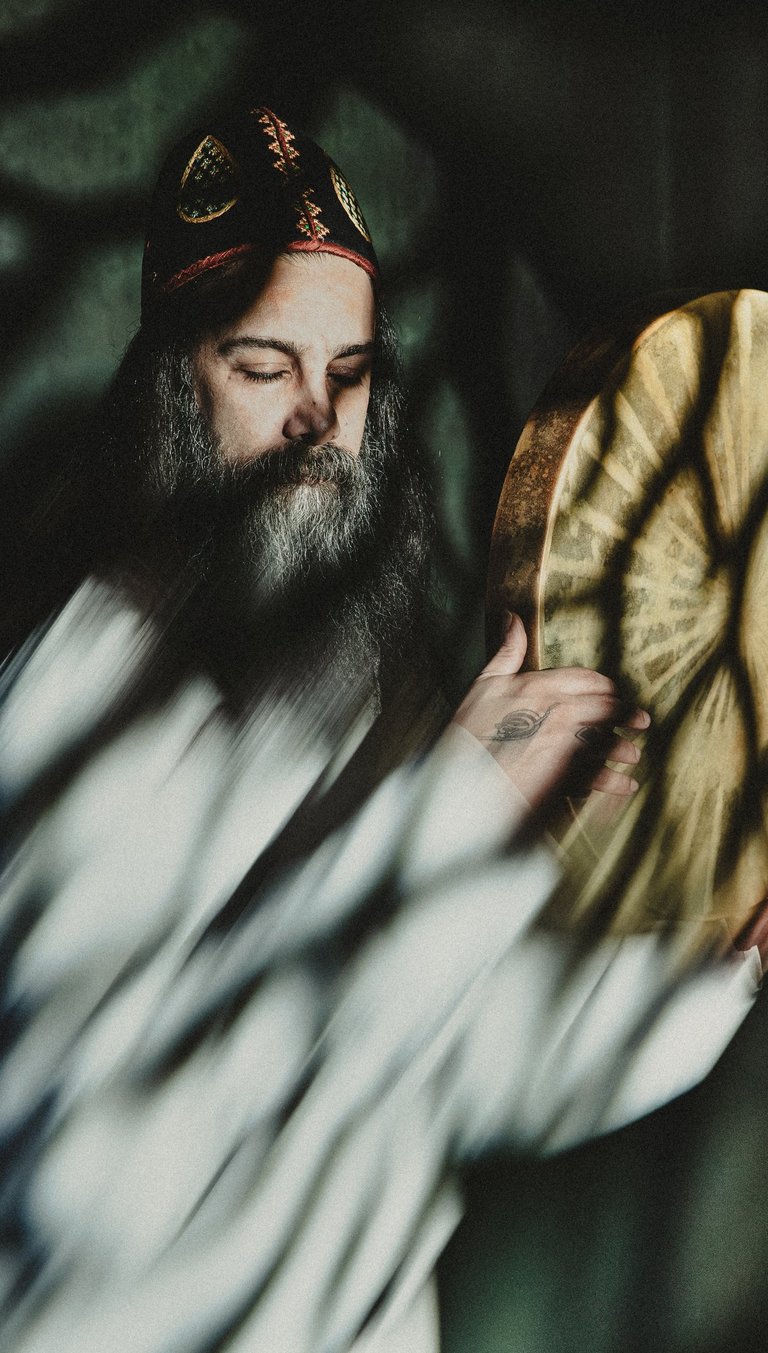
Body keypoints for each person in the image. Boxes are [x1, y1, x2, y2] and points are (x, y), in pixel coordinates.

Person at [0, 106, 759, 1353]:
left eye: (349, 375)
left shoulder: (344, 690)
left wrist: (721, 965)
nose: (319, 423)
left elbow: (470, 1067)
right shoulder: (70, 707)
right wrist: (449, 821)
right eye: (265, 370)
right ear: (170, 393)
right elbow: (100, 1190)